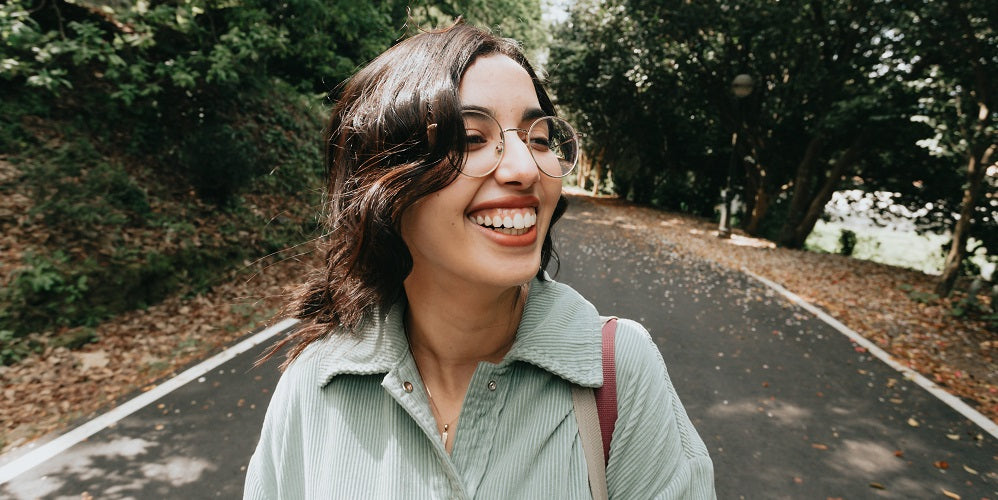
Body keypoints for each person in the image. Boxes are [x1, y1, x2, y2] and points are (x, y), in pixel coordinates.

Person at [244, 22, 715, 499]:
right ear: (383, 182)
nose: (525, 168)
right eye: (471, 138)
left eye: (539, 138)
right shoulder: (315, 384)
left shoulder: (617, 370)